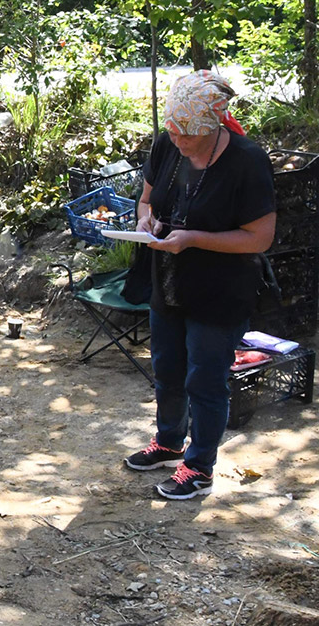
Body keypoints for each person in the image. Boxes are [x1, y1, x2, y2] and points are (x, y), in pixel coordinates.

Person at [122, 70, 275, 500]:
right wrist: (145, 220)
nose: (178, 141)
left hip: (220, 290)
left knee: (205, 379)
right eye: (173, 132)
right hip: (168, 281)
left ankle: (200, 465)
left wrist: (192, 239)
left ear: (214, 128)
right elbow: (147, 200)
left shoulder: (246, 160)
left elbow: (259, 238)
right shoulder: (167, 143)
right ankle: (169, 441)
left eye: (188, 135)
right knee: (167, 370)